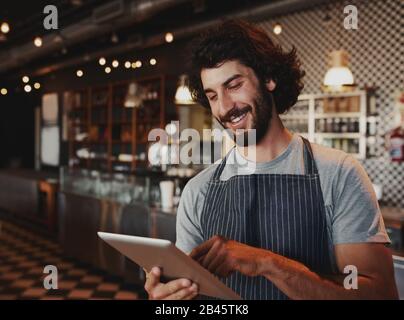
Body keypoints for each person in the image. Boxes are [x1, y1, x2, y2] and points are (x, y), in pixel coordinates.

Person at [144, 19, 398, 300]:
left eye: (234, 85)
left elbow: (379, 293)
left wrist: (268, 264)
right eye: (213, 95)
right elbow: (192, 294)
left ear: (268, 79)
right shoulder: (198, 191)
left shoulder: (338, 173)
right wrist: (168, 300)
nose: (225, 107)